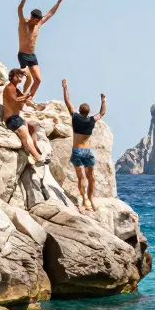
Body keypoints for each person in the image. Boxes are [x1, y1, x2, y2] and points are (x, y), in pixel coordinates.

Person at [62, 79, 106, 212]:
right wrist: (103, 100)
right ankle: (91, 197)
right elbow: (102, 113)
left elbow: (67, 102)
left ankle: (85, 199)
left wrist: (65, 87)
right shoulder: (92, 120)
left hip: (77, 151)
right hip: (88, 152)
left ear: (79, 110)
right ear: (88, 112)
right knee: (91, 177)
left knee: (81, 177)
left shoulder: (75, 117)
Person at [16, 0, 66, 101]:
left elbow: (50, 13)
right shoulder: (23, 22)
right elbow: (19, 9)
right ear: (31, 17)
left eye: (38, 20)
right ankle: (18, 90)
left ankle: (29, 98)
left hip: (32, 56)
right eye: (35, 19)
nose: (36, 22)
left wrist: (59, 1)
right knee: (26, 77)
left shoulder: (38, 24)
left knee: (38, 80)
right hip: (23, 55)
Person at [2, 68, 46, 166]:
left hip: (17, 117)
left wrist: (35, 106)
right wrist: (27, 96)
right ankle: (37, 157)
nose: (20, 76)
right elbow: (16, 101)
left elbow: (24, 101)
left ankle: (35, 148)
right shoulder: (9, 88)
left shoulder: (16, 89)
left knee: (33, 127)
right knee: (25, 134)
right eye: (18, 75)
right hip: (11, 119)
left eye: (21, 75)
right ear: (12, 76)